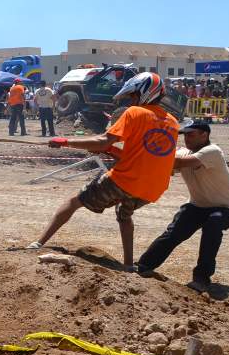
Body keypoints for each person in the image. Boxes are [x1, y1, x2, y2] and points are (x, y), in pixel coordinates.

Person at [26, 72, 179, 269]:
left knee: (73, 201)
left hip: (125, 180)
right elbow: (147, 157)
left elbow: (102, 141)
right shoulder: (173, 123)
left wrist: (65, 142)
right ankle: (127, 265)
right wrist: (111, 150)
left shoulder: (135, 113)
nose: (132, 99)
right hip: (152, 188)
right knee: (125, 215)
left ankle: (38, 243)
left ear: (145, 93)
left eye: (133, 95)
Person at [137, 122, 229, 292]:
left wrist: (149, 153)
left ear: (204, 135)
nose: (186, 138)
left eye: (191, 134)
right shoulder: (183, 152)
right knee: (173, 233)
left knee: (213, 224)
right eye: (185, 135)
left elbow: (177, 162)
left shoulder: (212, 151)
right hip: (197, 206)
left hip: (224, 208)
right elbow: (166, 164)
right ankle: (142, 266)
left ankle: (201, 279)